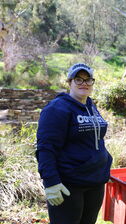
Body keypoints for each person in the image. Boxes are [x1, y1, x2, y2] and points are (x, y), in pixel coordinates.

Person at [36, 63, 113, 224]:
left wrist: (105, 164)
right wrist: (51, 182)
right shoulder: (57, 108)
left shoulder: (90, 106)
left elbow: (96, 140)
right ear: (69, 82)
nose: (84, 83)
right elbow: (46, 148)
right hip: (69, 185)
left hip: (95, 183)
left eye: (88, 79)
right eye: (78, 79)